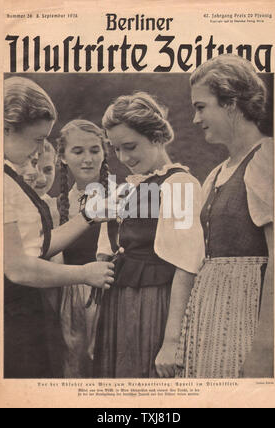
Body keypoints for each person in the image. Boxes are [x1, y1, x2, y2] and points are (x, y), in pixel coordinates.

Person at [156, 54, 273, 379]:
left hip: (246, 321)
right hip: (208, 319)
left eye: (201, 107)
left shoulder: (269, 158)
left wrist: (265, 349)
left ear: (232, 102)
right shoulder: (217, 173)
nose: (195, 119)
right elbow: (191, 260)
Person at [4, 76, 114, 378]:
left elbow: (38, 245)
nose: (41, 150)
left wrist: (88, 216)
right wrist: (84, 273)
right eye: (38, 139)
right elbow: (18, 268)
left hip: (27, 309)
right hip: (10, 313)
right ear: (5, 129)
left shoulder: (8, 175)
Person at [94, 92, 204, 378]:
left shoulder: (179, 184)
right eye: (116, 149)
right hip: (121, 302)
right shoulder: (129, 187)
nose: (123, 158)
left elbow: (186, 266)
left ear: (156, 137)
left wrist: (171, 341)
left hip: (155, 304)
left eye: (130, 146)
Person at [56, 119, 110, 378]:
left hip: (111, 293)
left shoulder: (122, 195)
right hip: (71, 300)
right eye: (78, 151)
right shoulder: (56, 205)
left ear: (104, 152)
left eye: (94, 150)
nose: (87, 159)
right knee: (75, 369)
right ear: (63, 157)